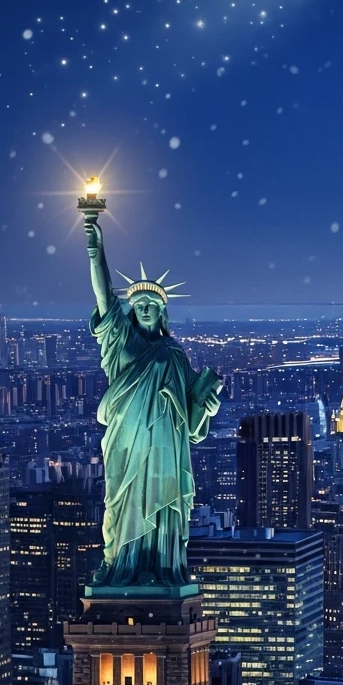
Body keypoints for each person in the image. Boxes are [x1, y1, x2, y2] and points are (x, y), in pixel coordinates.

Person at [84, 214, 222, 586]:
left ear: (162, 312)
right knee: (124, 502)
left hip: (165, 445)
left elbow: (193, 413)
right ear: (131, 310)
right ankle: (122, 566)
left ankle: (162, 568)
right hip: (128, 442)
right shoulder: (120, 340)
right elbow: (103, 295)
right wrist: (96, 251)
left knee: (163, 504)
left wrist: (207, 408)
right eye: (139, 303)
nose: (145, 308)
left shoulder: (174, 354)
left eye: (152, 304)